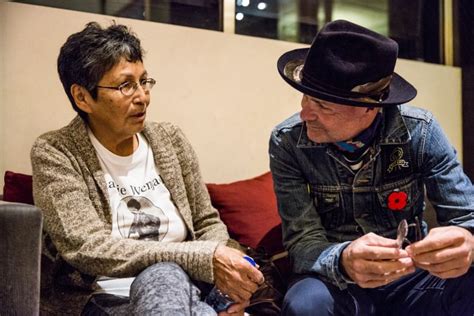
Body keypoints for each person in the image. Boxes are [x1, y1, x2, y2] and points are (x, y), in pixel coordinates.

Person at [31, 21, 264, 315]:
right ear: (82, 97)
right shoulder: (55, 152)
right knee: (163, 274)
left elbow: (207, 223)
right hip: (107, 299)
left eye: (144, 81)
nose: (142, 96)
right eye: (125, 85)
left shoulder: (170, 140)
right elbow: (86, 246)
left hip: (192, 292)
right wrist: (200, 258)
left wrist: (226, 285)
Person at [269, 19, 474, 315]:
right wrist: (343, 259)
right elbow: (302, 241)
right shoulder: (287, 142)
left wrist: (466, 242)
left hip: (412, 276)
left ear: (370, 107)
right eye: (305, 97)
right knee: (306, 304)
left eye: (323, 106)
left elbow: (466, 216)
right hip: (336, 279)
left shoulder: (421, 132)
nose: (305, 114)